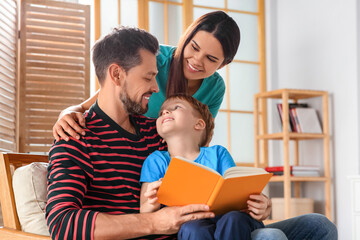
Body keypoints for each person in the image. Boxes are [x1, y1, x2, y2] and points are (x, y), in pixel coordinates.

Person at [46, 26, 215, 240]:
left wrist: (249, 204)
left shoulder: (157, 134)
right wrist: (154, 223)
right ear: (116, 74)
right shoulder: (76, 137)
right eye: (148, 77)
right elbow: (62, 223)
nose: (156, 88)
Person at [51, 10, 241, 142]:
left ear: (223, 64)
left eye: (210, 58)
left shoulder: (215, 88)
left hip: (170, 160)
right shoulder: (154, 60)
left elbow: (200, 139)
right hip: (127, 149)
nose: (197, 60)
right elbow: (92, 104)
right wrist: (66, 114)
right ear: (186, 38)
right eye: (194, 47)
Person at [139, 94, 265, 240]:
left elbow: (236, 191)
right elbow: (144, 211)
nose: (165, 112)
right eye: (161, 113)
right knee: (192, 227)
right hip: (191, 222)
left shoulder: (218, 153)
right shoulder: (156, 160)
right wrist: (152, 202)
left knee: (232, 219)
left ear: (198, 124)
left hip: (231, 218)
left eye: (176, 107)